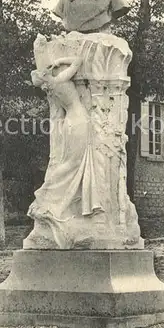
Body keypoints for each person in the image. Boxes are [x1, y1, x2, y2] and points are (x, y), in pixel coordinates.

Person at [25, 56, 103, 248]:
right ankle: (47, 192)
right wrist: (60, 61)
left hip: (69, 123)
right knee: (74, 164)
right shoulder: (59, 80)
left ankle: (50, 194)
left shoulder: (52, 90)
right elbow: (78, 61)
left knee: (70, 163)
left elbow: (58, 116)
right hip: (79, 122)